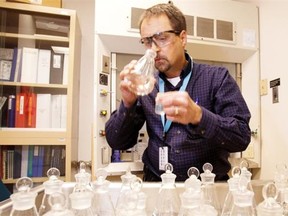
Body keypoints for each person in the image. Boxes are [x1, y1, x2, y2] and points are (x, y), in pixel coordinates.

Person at [105, 2, 251, 181]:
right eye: (148, 41)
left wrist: (199, 116)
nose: (154, 49)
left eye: (162, 38)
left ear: (182, 38)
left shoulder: (217, 78)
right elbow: (117, 141)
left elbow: (242, 137)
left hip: (206, 189)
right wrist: (127, 104)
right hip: (157, 185)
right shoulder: (147, 83)